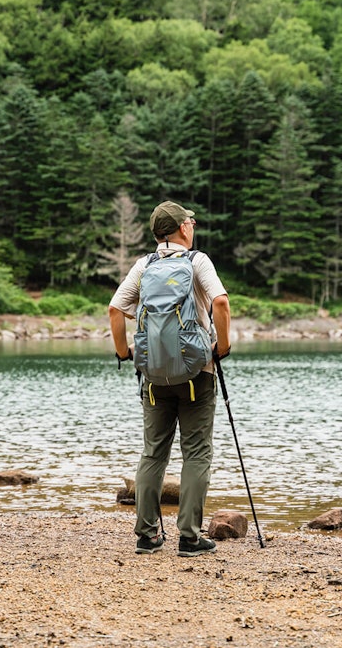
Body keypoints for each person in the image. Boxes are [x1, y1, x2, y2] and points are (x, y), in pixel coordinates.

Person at [108, 201, 231, 557]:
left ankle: (147, 535)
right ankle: (190, 537)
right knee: (195, 453)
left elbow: (116, 310)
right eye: (190, 221)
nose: (192, 225)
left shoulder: (144, 265)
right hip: (197, 373)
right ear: (182, 228)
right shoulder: (197, 262)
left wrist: (123, 352)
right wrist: (221, 348)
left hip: (153, 375)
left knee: (153, 453)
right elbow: (221, 303)